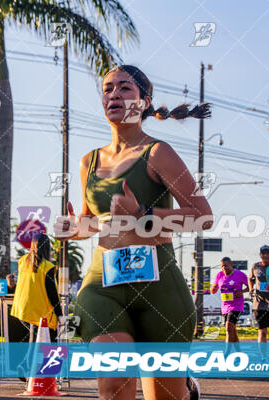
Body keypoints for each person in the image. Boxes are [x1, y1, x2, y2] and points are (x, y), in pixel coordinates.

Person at [54, 64, 212, 400]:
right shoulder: (88, 162)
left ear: (144, 101)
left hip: (160, 288)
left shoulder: (158, 153)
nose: (113, 94)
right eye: (108, 88)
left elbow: (202, 217)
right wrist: (74, 228)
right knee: (114, 383)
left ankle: (184, 389)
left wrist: (143, 214)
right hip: (103, 285)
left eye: (125, 88)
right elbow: (94, 220)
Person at [11, 233, 62, 343]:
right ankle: (37, 361)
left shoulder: (23, 261)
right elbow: (52, 295)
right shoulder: (47, 267)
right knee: (45, 341)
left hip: (22, 311)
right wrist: (60, 316)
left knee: (34, 341)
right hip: (39, 313)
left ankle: (32, 360)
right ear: (47, 247)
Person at [211, 257, 249, 352]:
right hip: (225, 306)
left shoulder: (239, 274)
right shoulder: (219, 275)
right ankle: (239, 353)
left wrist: (242, 291)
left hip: (236, 305)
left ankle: (226, 354)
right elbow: (214, 289)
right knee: (232, 331)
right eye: (222, 266)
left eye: (226, 266)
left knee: (228, 327)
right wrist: (214, 288)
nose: (224, 268)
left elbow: (250, 286)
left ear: (231, 265)